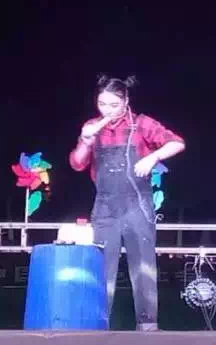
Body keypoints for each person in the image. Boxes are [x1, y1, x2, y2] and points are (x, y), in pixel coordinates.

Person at [69, 74, 185, 331]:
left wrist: (152, 157)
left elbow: (177, 143)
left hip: (138, 205)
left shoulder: (141, 124)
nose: (107, 111)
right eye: (102, 104)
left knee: (143, 267)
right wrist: (85, 142)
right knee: (102, 268)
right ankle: (98, 326)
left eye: (114, 105)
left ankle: (148, 326)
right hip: (105, 206)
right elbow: (77, 163)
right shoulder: (92, 126)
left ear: (126, 101)